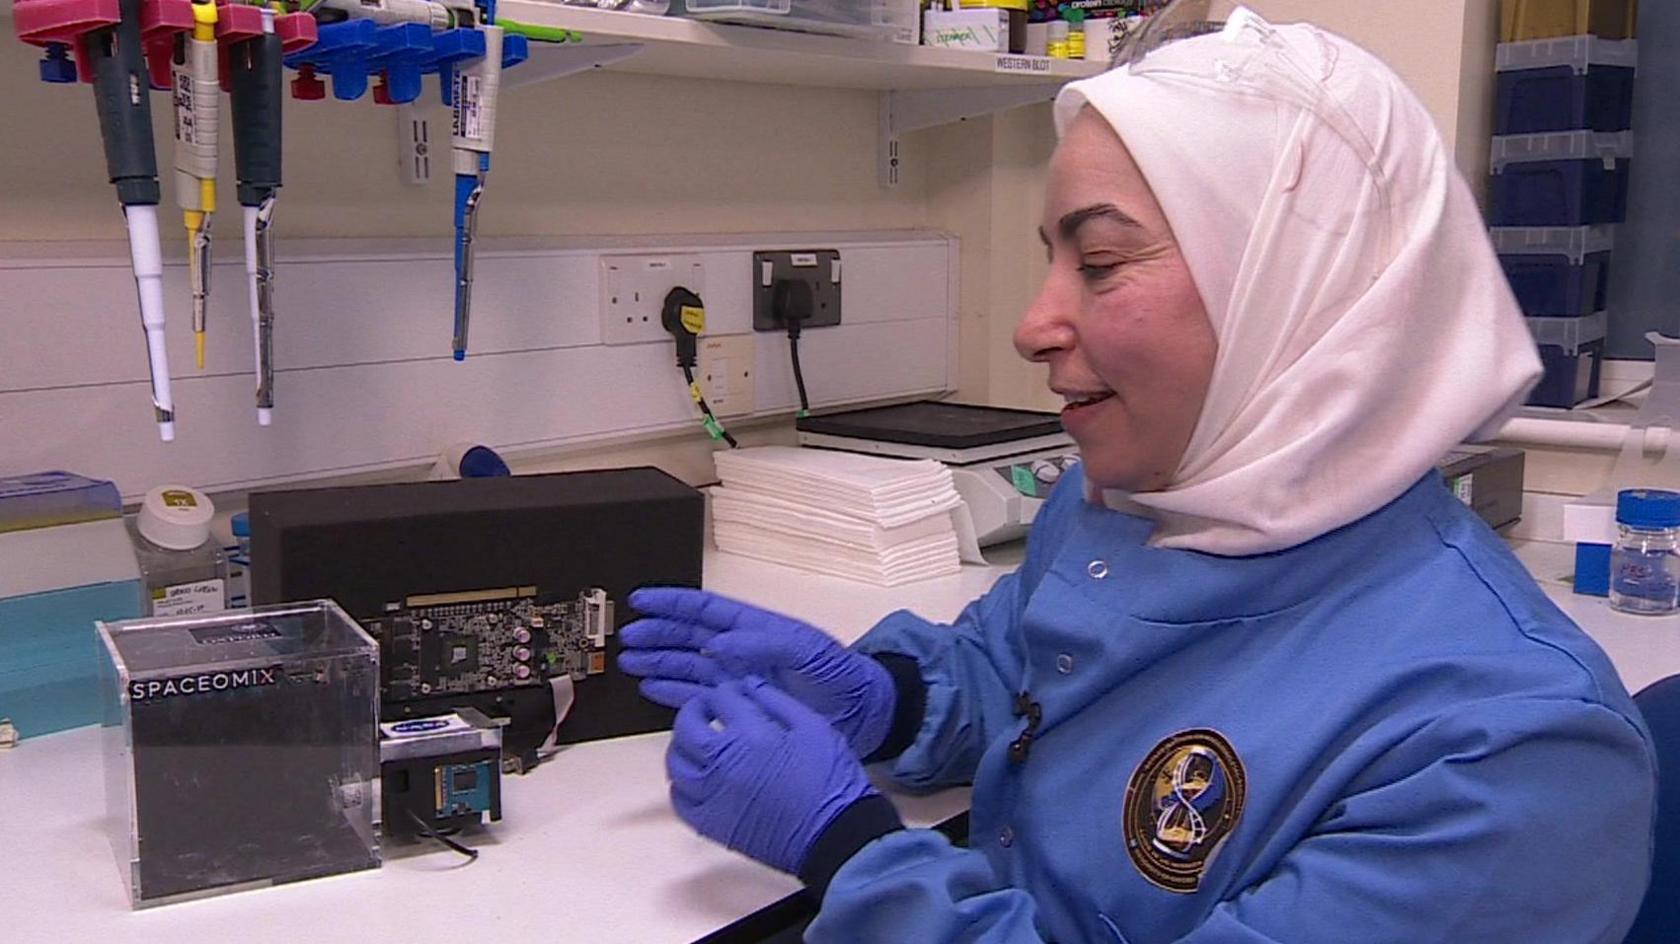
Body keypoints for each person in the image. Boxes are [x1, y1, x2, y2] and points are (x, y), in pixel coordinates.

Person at [617, 3, 1658, 941]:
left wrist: (848, 850)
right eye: (1050, 259)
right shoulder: (1138, 500)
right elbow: (1026, 668)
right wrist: (884, 697)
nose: (1034, 323)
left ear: (1296, 294)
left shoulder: (1510, 753)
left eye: (1101, 263)